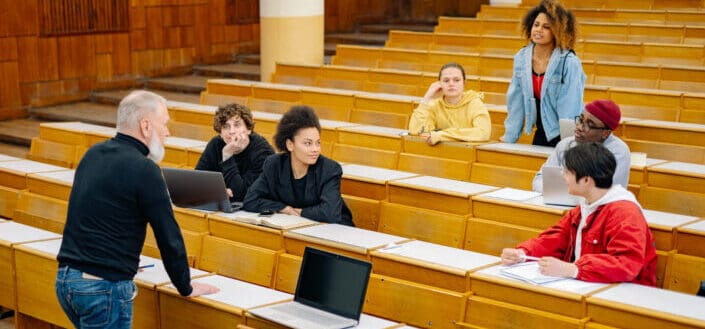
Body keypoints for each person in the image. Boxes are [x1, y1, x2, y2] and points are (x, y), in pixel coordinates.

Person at [56, 90, 219, 328]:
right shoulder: (144, 169)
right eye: (163, 124)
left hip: (66, 280)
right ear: (145, 126)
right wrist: (186, 286)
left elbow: (91, 215)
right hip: (102, 288)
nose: (167, 132)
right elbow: (168, 234)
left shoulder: (93, 154)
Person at [501, 142, 657, 286]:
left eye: (568, 172)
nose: (563, 177)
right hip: (590, 285)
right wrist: (522, 253)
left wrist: (572, 269)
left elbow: (626, 263)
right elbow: (555, 238)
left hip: (621, 292)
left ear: (586, 180)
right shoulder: (585, 207)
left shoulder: (624, 213)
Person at [243, 105, 353, 226]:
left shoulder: (330, 169)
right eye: (308, 143)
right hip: (293, 227)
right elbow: (251, 200)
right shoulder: (274, 164)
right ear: (290, 144)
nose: (315, 149)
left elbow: (330, 213)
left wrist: (298, 212)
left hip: (333, 229)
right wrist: (283, 208)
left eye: (318, 143)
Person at [502, 0, 585, 146]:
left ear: (557, 32)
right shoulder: (521, 58)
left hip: (565, 134)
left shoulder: (569, 62)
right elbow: (516, 102)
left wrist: (568, 144)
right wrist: (509, 137)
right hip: (542, 131)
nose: (539, 30)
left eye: (546, 27)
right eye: (536, 25)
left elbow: (570, 108)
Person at [532, 99, 630, 192]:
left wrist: (564, 190)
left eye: (589, 124)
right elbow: (538, 181)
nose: (579, 127)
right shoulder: (565, 145)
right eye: (580, 120)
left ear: (605, 133)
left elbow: (605, 193)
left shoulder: (618, 152)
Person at [195, 103, 274, 201]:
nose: (231, 131)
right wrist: (217, 192)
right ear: (220, 133)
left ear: (248, 129)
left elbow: (243, 195)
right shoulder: (215, 144)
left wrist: (227, 156)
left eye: (237, 125)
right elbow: (197, 180)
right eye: (225, 126)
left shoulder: (263, 152)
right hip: (222, 204)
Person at [408, 62, 491, 145]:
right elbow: (416, 131)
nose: (451, 84)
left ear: (464, 83)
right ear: (440, 84)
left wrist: (441, 135)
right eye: (446, 80)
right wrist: (426, 98)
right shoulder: (435, 105)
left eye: (456, 80)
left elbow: (483, 132)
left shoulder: (475, 103)